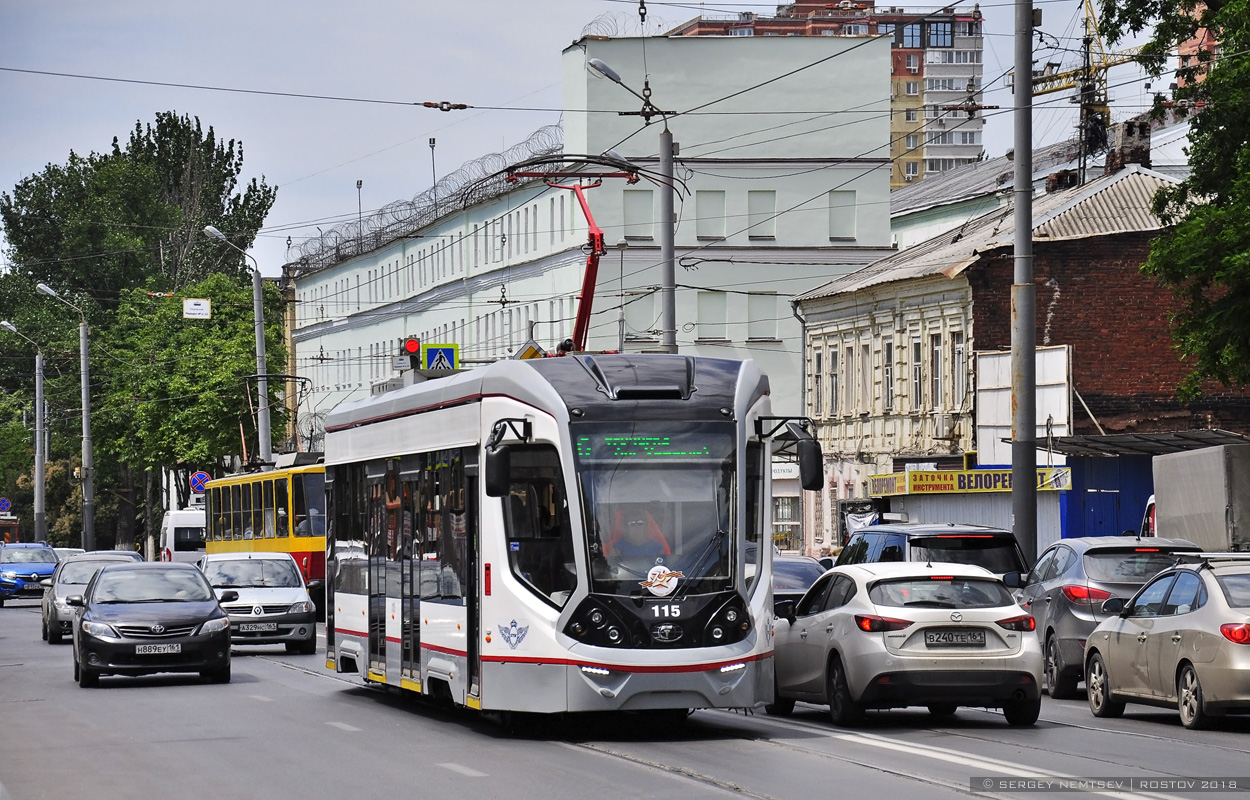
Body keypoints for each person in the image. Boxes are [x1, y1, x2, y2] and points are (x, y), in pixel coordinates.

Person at [604, 505, 671, 558]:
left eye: (640, 523)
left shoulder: (657, 547)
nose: (637, 527)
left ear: (646, 525)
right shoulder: (618, 548)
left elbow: (664, 568)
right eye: (632, 523)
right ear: (627, 527)